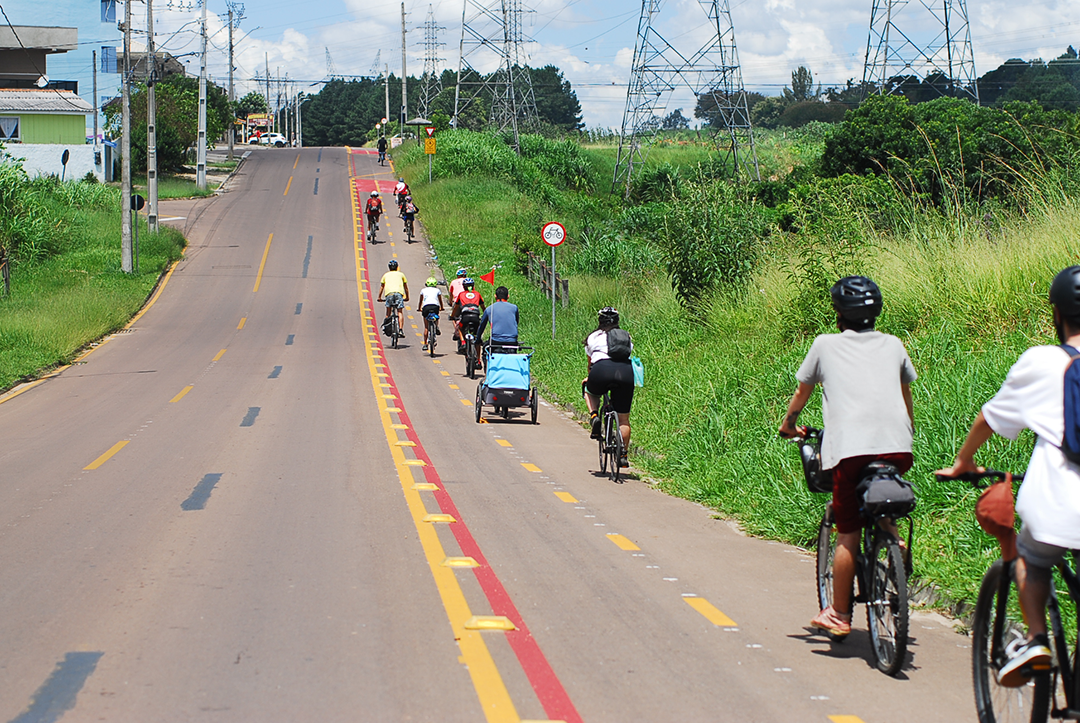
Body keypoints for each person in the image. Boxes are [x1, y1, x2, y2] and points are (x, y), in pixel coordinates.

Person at [936, 266, 1080, 687]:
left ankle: (1036, 640)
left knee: (1032, 562)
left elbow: (990, 418)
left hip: (1060, 505)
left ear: (1057, 315)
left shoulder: (1043, 361)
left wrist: (965, 462)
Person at [778, 276, 916, 639]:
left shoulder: (825, 344)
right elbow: (905, 397)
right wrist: (907, 434)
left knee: (848, 534)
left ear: (839, 315)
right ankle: (894, 542)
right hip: (899, 447)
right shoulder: (894, 344)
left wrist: (789, 425)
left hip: (852, 451)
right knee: (883, 497)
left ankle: (839, 614)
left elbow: (802, 392)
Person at [583, 307, 635, 468]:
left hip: (601, 371)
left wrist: (589, 377)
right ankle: (623, 455)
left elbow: (590, 363)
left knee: (589, 390)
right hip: (625, 373)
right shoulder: (626, 336)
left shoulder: (593, 337)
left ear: (600, 321)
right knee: (624, 419)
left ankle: (594, 417)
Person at [451, 278, 486, 363]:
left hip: (465, 316)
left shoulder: (461, 294)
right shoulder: (477, 294)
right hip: (475, 316)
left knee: (460, 328)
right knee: (477, 338)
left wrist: (452, 316)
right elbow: (483, 307)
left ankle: (463, 342)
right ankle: (478, 360)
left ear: (464, 287)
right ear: (473, 286)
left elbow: (456, 307)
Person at [377, 260, 409, 338]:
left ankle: (386, 327)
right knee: (399, 312)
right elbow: (405, 287)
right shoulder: (401, 274)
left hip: (389, 294)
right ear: (397, 267)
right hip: (399, 294)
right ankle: (401, 330)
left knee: (388, 312)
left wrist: (379, 297)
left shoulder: (386, 275)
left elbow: (382, 287)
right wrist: (407, 297)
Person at [416, 277, 444, 351]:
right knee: (436, 316)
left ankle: (425, 344)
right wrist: (442, 307)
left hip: (426, 307)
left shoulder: (423, 290)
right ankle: (436, 326)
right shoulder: (437, 290)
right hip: (435, 307)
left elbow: (421, 300)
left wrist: (419, 308)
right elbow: (440, 300)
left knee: (426, 327)